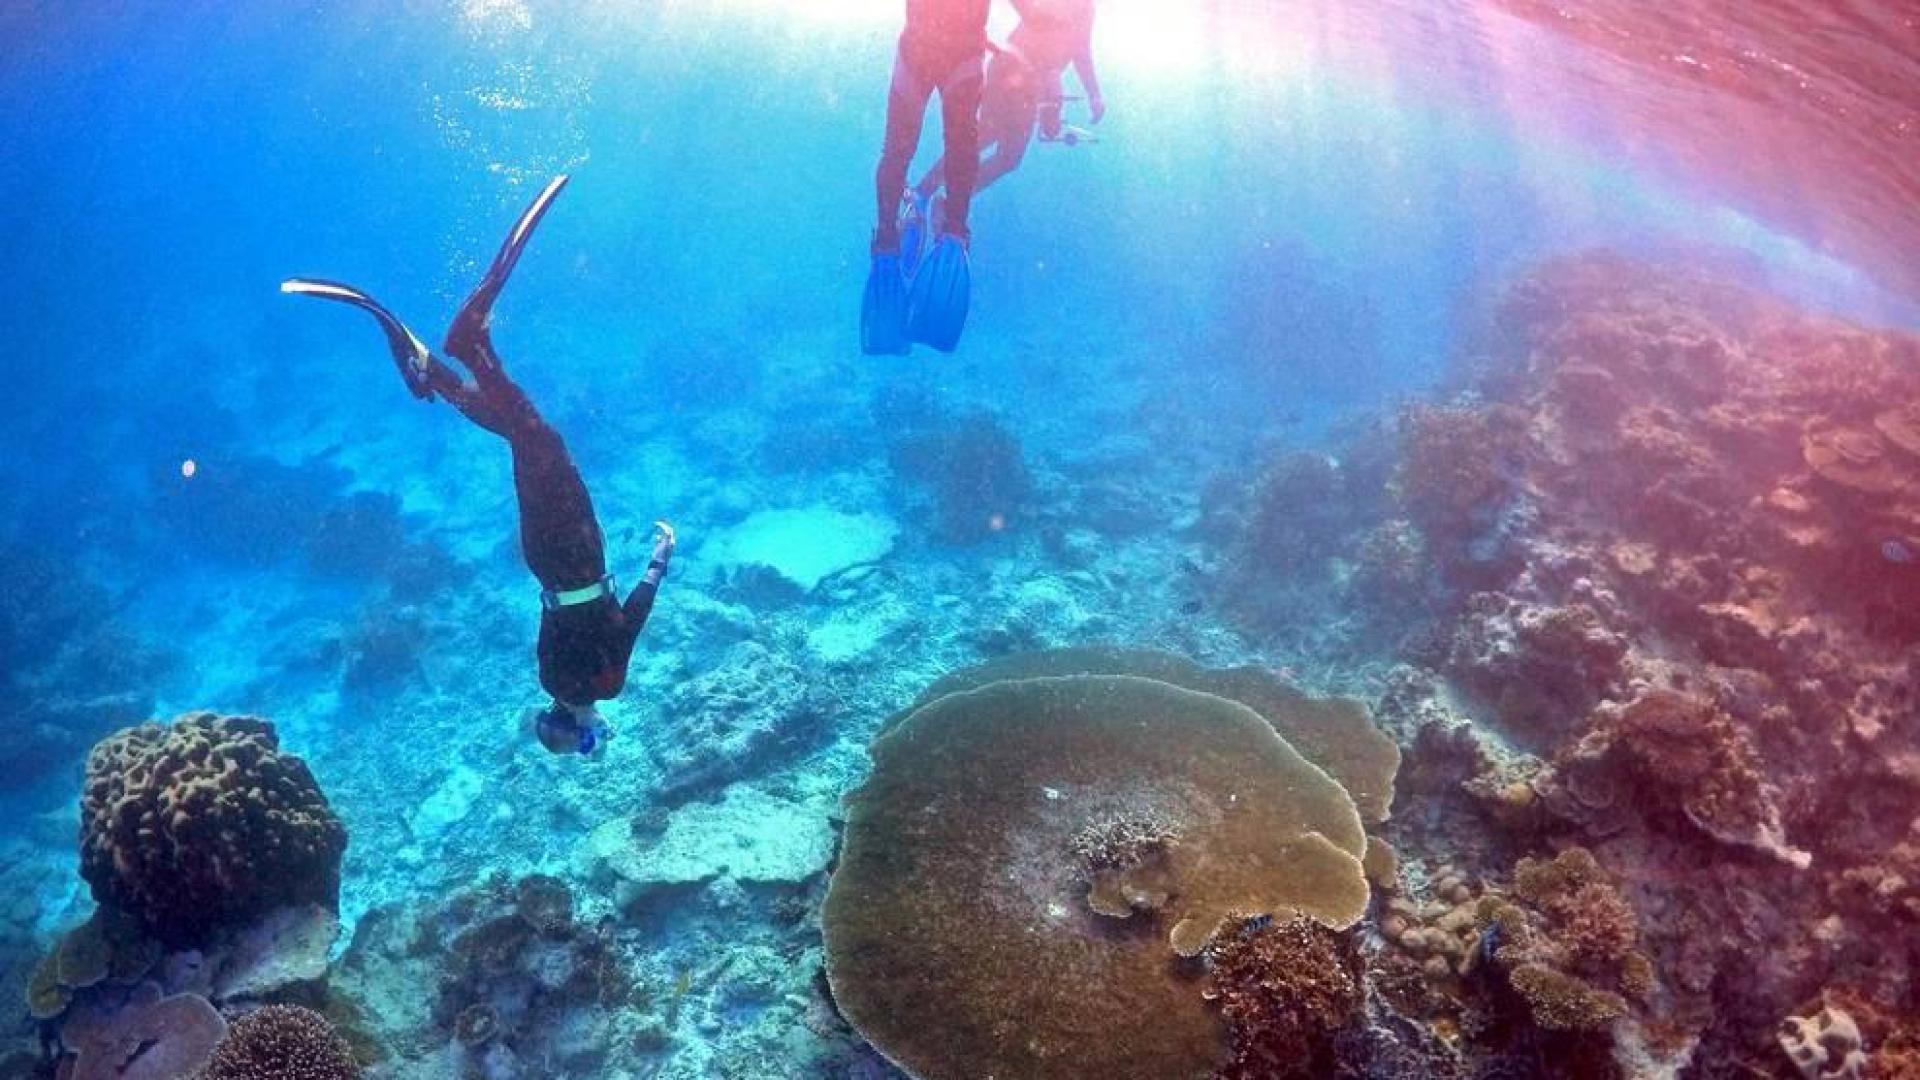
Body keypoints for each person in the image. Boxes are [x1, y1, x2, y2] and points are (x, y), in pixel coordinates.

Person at [281, 175, 674, 757]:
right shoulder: (548, 681)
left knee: (541, 437)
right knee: (524, 439)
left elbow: (631, 618)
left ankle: (470, 347)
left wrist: (660, 561)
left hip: (576, 557)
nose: (600, 737)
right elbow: (587, 628)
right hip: (542, 559)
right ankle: (433, 373)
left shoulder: (606, 687)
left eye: (589, 743)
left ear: (582, 728)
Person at [861, 0, 993, 357]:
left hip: (925, 48)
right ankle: (950, 230)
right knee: (957, 144)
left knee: (902, 151)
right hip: (952, 48)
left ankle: (891, 236)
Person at [909, 0, 1103, 214]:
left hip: (1015, 73)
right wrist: (1056, 98)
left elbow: (1079, 50)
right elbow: (1053, 43)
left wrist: (1092, 94)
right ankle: (936, 197)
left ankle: (932, 196)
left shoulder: (1087, 8)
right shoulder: (1079, 6)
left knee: (998, 149)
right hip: (1017, 74)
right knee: (994, 145)